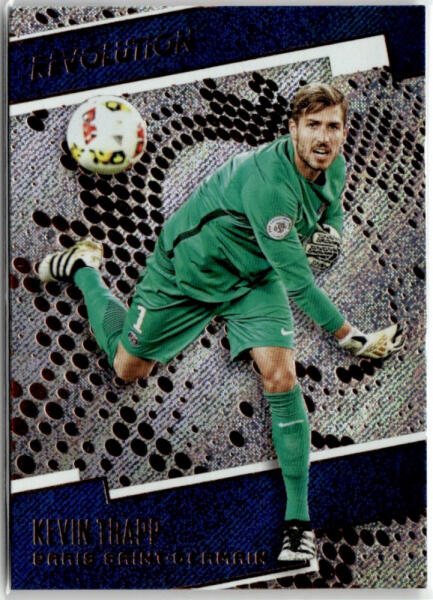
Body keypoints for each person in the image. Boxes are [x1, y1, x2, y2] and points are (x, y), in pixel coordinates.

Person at [38, 82, 403, 564]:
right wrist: (350, 338)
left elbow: (331, 204)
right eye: (312, 125)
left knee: (281, 376)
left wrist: (332, 231)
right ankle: (84, 267)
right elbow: (300, 286)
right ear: (292, 128)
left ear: (344, 131)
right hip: (187, 273)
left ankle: (298, 523)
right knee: (127, 368)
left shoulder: (331, 162)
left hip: (253, 278)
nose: (323, 136)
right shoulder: (269, 188)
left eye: (332, 126)